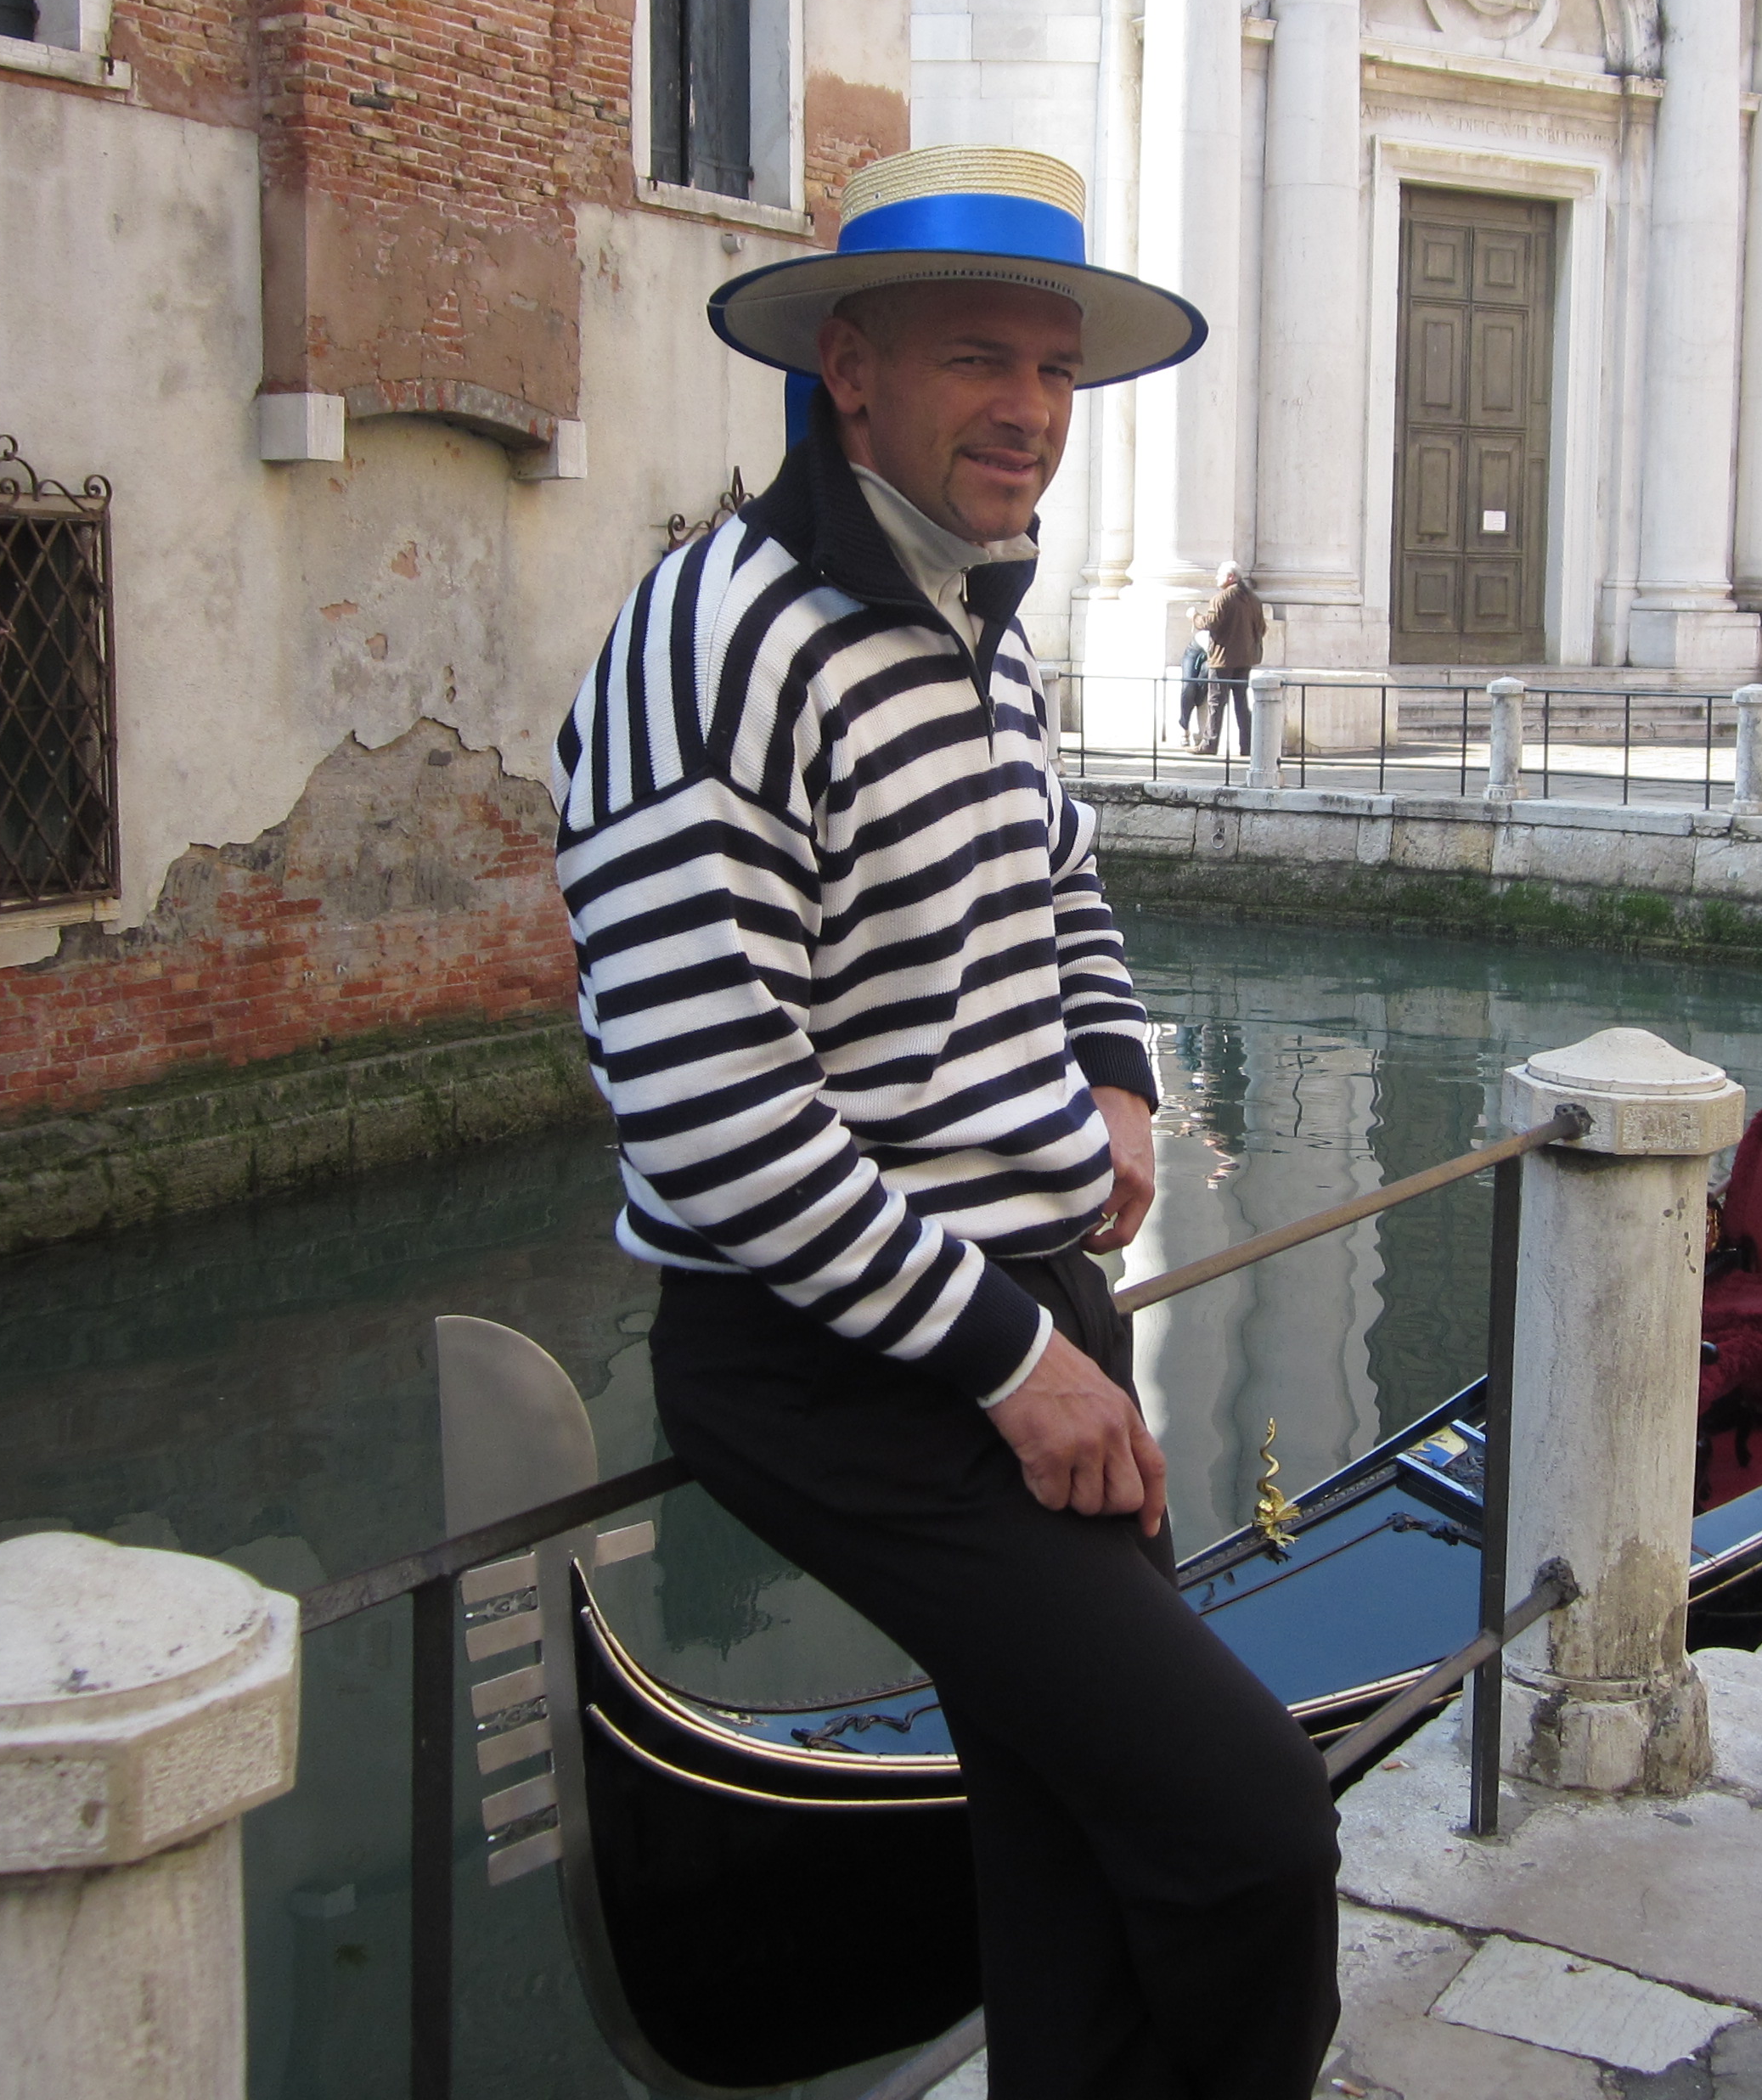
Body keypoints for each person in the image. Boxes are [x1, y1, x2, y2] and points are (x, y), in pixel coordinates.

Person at [553, 144, 1341, 2100]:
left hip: (1031, 1315)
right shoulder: (714, 640)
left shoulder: (970, 623)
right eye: (979, 358)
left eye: (1057, 370)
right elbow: (710, 1110)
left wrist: (1120, 1075)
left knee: (1077, 1839)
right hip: (844, 1357)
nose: (1029, 413)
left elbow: (1061, 879)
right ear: (850, 371)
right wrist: (1015, 1365)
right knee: (1249, 1824)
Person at [1203, 560, 1267, 755]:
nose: (1216, 578)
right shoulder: (1254, 600)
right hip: (1246, 658)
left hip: (1222, 659)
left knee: (1216, 701)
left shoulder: (1221, 599)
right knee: (1241, 703)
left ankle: (1210, 743)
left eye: (1220, 575)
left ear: (1231, 577)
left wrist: (1195, 618)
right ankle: (1246, 746)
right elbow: (1262, 628)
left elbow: (1211, 623)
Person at [1176, 619, 1216, 751]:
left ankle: (1199, 731)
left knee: (1201, 689)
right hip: (1196, 649)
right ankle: (1184, 726)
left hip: (1213, 656)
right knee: (1188, 686)